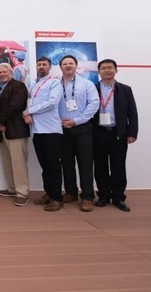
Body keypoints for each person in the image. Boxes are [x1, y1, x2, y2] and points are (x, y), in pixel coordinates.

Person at [93, 59, 139, 212]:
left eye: (110, 68)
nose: (107, 70)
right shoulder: (92, 88)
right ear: (99, 71)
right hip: (98, 133)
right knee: (100, 166)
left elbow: (132, 113)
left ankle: (118, 197)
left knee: (118, 166)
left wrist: (132, 133)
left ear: (116, 70)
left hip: (118, 134)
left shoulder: (125, 89)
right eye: (103, 68)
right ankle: (104, 196)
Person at [58, 55, 100, 212]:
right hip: (62, 128)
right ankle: (71, 192)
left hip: (82, 128)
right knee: (66, 162)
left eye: (71, 63)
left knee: (85, 163)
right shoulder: (55, 85)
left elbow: (94, 103)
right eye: (65, 64)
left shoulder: (87, 84)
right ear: (60, 67)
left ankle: (88, 196)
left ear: (76, 65)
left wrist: (77, 120)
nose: (68, 66)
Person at [22, 56, 64, 212]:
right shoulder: (34, 84)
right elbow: (30, 102)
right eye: (39, 64)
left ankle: (57, 198)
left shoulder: (55, 83)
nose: (41, 67)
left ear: (50, 67)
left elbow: (52, 103)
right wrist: (28, 113)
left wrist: (29, 111)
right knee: (45, 166)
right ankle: (49, 193)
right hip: (37, 130)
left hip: (51, 130)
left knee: (53, 166)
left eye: (44, 64)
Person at [0, 63, 31, 206]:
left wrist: (0, 121)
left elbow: (15, 106)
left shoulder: (19, 86)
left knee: (18, 163)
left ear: (11, 72)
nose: (2, 74)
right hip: (2, 131)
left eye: (5, 72)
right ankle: (12, 188)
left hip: (15, 130)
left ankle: (22, 192)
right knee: (8, 161)